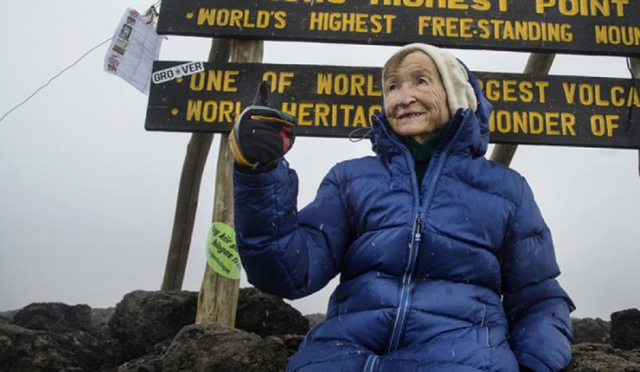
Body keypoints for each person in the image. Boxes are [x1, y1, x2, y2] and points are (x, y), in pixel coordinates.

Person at [229, 43, 575, 371]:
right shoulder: (350, 179)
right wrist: (259, 173)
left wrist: (537, 361)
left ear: (455, 94)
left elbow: (538, 298)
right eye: (392, 87)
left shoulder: (507, 189)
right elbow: (289, 271)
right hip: (340, 354)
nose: (403, 97)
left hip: (462, 358)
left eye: (420, 81)